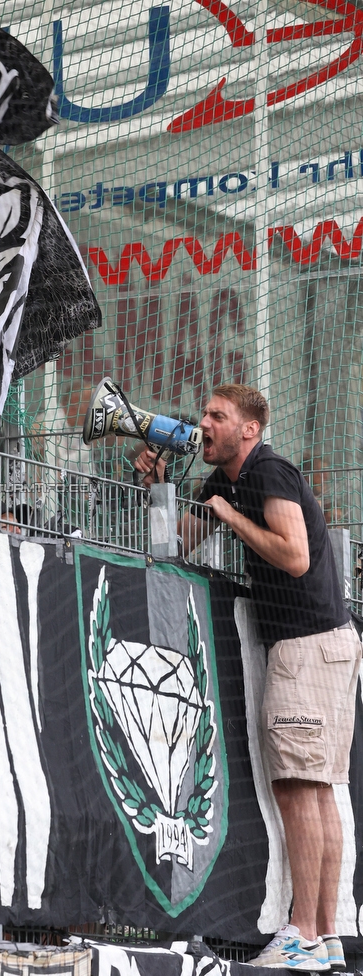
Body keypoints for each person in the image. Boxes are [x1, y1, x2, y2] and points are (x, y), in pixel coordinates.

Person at [135, 384, 361, 972]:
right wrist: (157, 489)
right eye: (204, 413)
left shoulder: (268, 474)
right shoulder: (224, 481)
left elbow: (296, 555)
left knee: (298, 789)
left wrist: (232, 517)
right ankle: (327, 935)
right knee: (314, 790)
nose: (203, 423)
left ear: (249, 430)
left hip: (306, 648)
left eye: (217, 415)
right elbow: (179, 541)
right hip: (323, 646)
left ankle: (304, 934)